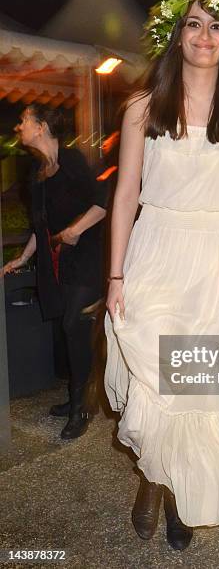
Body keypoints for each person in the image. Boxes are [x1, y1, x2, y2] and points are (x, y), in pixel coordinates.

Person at [104, 0, 219, 551]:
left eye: (215, 26)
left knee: (191, 389)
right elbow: (125, 196)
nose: (204, 36)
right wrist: (116, 276)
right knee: (151, 376)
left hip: (212, 260)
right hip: (154, 249)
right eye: (194, 24)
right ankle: (154, 476)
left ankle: (173, 493)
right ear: (177, 35)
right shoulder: (143, 109)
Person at [1, 104, 107, 439]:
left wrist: (76, 229)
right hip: (56, 259)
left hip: (88, 256)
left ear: (42, 127)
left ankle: (82, 406)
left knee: (73, 323)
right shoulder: (36, 173)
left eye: (24, 121)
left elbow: (104, 202)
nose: (19, 127)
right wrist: (24, 257)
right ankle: (76, 394)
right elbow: (40, 225)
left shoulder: (73, 160)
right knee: (68, 329)